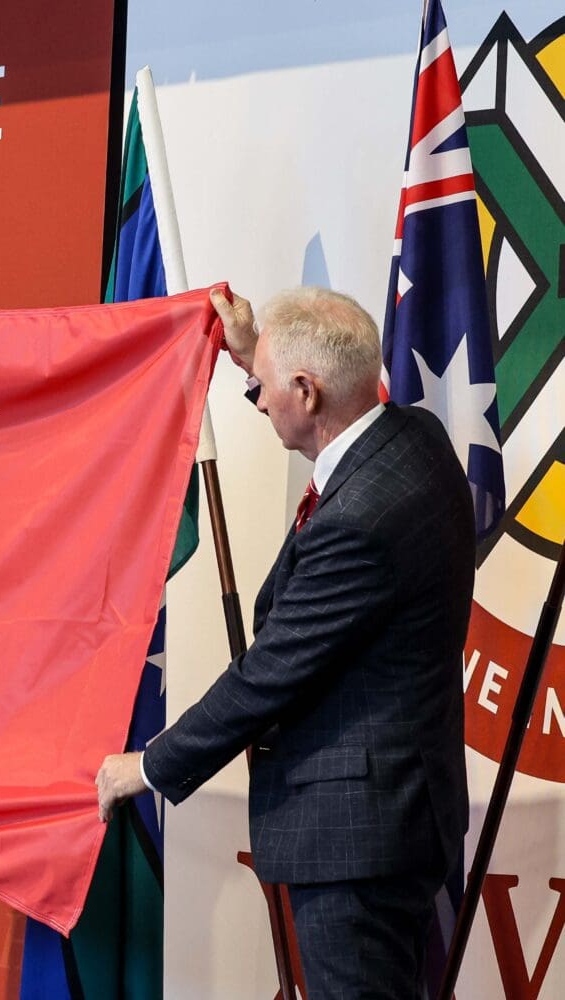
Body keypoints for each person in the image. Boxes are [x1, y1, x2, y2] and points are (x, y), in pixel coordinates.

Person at [96, 286, 473, 998]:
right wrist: (252, 355)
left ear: (307, 389)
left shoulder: (359, 521)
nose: (260, 401)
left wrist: (144, 768)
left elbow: (270, 674)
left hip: (354, 842)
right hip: (396, 816)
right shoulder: (416, 440)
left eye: (262, 388)